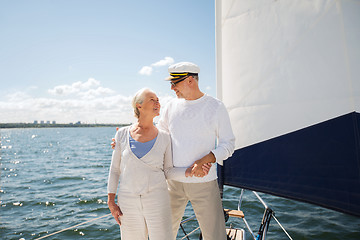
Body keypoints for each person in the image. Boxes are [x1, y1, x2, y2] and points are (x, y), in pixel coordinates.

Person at [156, 62, 235, 240]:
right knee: (162, 235)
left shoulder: (216, 107)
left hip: (204, 184)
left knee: (216, 236)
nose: (171, 87)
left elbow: (228, 144)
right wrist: (127, 138)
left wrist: (206, 160)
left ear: (190, 80)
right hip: (173, 183)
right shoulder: (170, 107)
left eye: (175, 83)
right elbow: (158, 137)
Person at [107, 88, 186, 240]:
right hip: (127, 201)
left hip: (158, 199)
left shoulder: (165, 137)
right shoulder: (121, 134)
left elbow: (168, 171)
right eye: (152, 99)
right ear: (139, 106)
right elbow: (115, 170)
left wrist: (190, 171)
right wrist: (111, 201)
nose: (158, 103)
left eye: (158, 100)